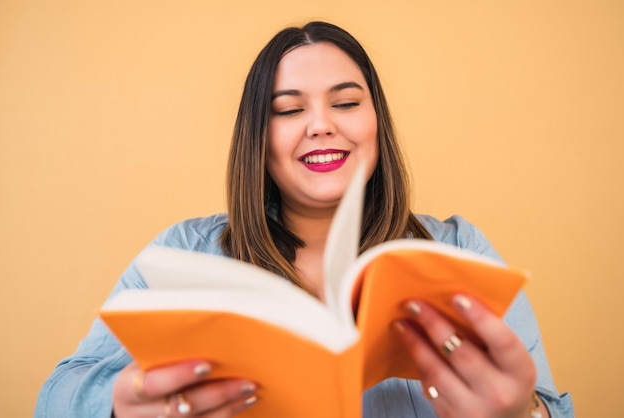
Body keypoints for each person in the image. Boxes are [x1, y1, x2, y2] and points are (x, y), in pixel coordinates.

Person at [35, 21, 574, 418]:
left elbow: (550, 407)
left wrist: (525, 415)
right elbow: (55, 397)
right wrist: (114, 408)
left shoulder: (460, 248)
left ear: (376, 124)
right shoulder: (184, 251)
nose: (320, 126)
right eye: (289, 110)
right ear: (258, 139)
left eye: (345, 103)